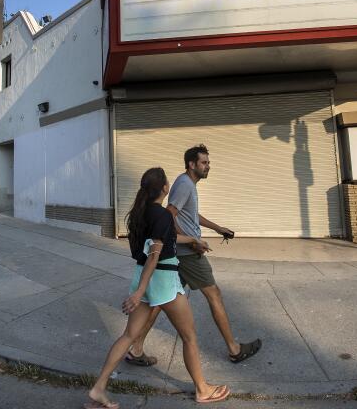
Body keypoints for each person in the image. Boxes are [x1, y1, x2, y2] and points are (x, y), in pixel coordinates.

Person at [85, 167, 230, 409]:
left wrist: (194, 240)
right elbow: (155, 253)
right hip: (162, 280)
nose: (169, 186)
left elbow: (162, 241)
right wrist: (140, 293)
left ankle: (98, 388)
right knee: (189, 336)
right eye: (167, 183)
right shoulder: (162, 215)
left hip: (143, 275)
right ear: (163, 188)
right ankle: (203, 390)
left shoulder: (140, 214)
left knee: (129, 336)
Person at [127, 145, 262, 368]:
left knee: (161, 302)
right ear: (192, 164)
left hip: (180, 254)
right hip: (187, 255)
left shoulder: (186, 184)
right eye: (204, 162)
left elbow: (190, 214)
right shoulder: (185, 185)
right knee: (214, 294)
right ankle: (234, 349)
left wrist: (218, 228)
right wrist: (192, 241)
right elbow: (169, 215)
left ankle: (136, 347)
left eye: (208, 162)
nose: (208, 166)